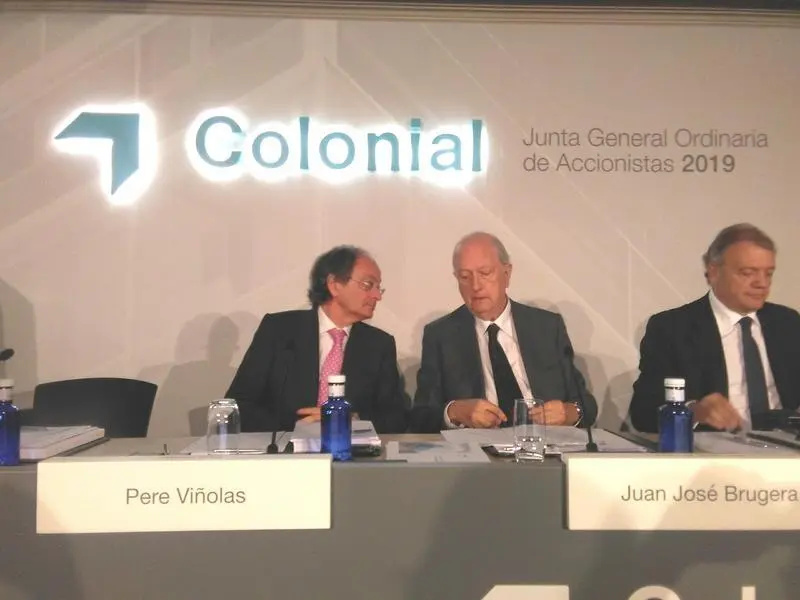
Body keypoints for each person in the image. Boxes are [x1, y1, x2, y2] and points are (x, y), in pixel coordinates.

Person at [410, 232, 598, 433]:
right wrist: (455, 411)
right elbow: (421, 417)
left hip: (543, 443)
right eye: (465, 277)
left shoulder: (546, 327)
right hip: (481, 447)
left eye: (485, 273)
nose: (475, 286)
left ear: (506, 274)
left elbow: (586, 405)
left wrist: (570, 412)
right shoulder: (441, 335)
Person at [629, 223, 800, 433]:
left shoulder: (788, 323)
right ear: (714, 272)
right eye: (748, 273)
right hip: (717, 448)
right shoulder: (672, 328)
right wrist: (694, 411)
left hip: (786, 446)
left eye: (769, 273)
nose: (762, 283)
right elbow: (643, 413)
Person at [225, 245, 407, 434]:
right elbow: (238, 405)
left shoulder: (379, 345)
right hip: (285, 447)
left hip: (348, 448)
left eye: (379, 288)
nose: (377, 296)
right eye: (368, 285)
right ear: (334, 285)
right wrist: (299, 428)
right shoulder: (279, 330)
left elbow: (395, 418)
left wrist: (351, 419)